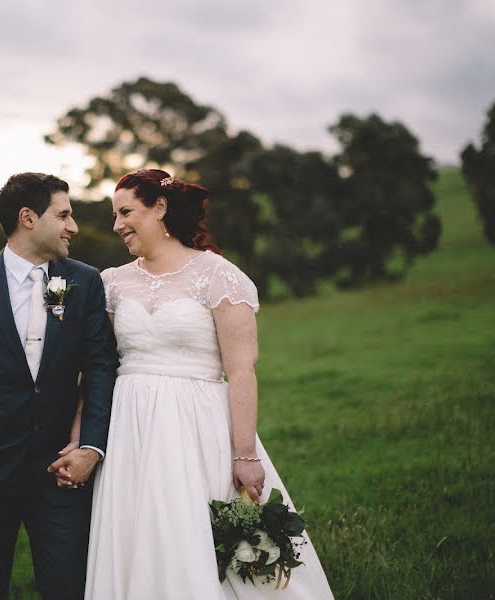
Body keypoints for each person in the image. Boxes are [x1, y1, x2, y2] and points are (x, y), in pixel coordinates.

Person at [83, 169, 334, 599]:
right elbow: (98, 367)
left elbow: (241, 370)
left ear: (159, 208)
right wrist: (82, 439)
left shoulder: (219, 277)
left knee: (202, 539)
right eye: (115, 215)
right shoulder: (112, 282)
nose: (117, 224)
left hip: (196, 428)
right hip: (130, 430)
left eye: (126, 212)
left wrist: (245, 454)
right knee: (139, 536)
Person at [0, 172, 118, 599]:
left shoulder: (83, 281)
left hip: (61, 473)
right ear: (28, 218)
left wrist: (91, 445)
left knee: (69, 589)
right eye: (64, 215)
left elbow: (101, 365)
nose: (74, 226)